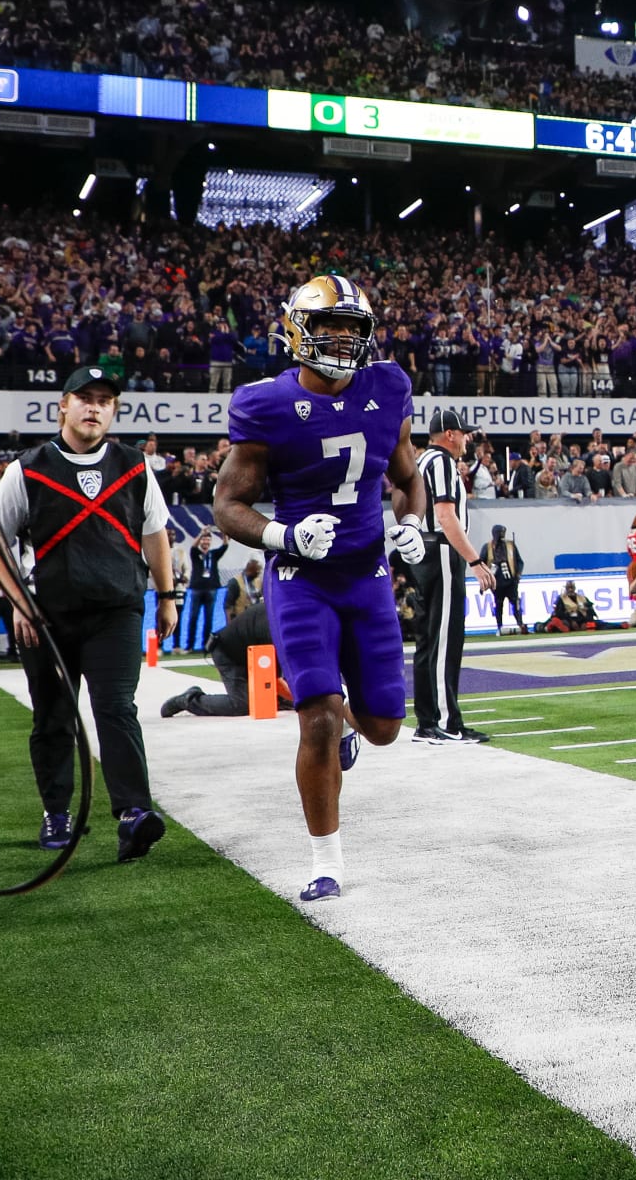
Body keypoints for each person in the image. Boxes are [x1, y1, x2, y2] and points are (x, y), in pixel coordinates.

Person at [213, 275, 431, 901]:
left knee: (386, 725)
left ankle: (352, 727)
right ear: (296, 331)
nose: (340, 339)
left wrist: (411, 522)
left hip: (367, 574)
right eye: (328, 327)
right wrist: (282, 535)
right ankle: (324, 862)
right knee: (317, 719)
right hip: (300, 578)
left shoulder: (387, 386)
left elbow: (406, 478)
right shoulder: (266, 403)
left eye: (350, 329)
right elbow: (227, 504)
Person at [0, 365, 177, 859]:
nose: (94, 407)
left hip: (117, 610)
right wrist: (20, 601)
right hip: (47, 617)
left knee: (117, 708)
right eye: (84, 397)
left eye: (104, 401)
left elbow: (155, 534)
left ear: (114, 411)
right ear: (63, 405)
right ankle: (57, 812)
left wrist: (167, 596)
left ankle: (134, 813)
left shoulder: (135, 465)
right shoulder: (27, 468)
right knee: (53, 716)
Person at [410, 411, 494, 744]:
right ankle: (445, 722)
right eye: (463, 433)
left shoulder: (422, 460)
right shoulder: (441, 462)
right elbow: (445, 516)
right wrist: (474, 560)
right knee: (445, 640)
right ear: (449, 434)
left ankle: (428, 720)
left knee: (429, 640)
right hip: (442, 552)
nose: (467, 439)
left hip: (424, 551)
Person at [160, 598, 291, 717]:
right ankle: (189, 700)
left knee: (282, 699)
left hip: (249, 652)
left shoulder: (281, 615)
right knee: (241, 705)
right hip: (228, 653)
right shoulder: (274, 630)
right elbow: (273, 679)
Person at [183, 526, 229, 651]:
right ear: (201, 541)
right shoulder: (195, 554)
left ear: (210, 542)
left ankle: (206, 646)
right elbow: (193, 547)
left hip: (211, 589)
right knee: (193, 617)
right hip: (197, 589)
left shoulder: (213, 555)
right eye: (204, 540)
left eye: (208, 540)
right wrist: (201, 534)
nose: (206, 542)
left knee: (208, 618)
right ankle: (189, 646)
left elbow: (225, 546)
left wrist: (224, 534)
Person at [483, 524, 527, 635]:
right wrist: (486, 578)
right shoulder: (487, 547)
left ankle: (520, 624)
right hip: (497, 583)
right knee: (498, 605)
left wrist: (518, 575)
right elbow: (481, 563)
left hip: (511, 582)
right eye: (500, 533)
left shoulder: (510, 545)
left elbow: (519, 561)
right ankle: (499, 626)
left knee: (516, 603)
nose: (502, 535)